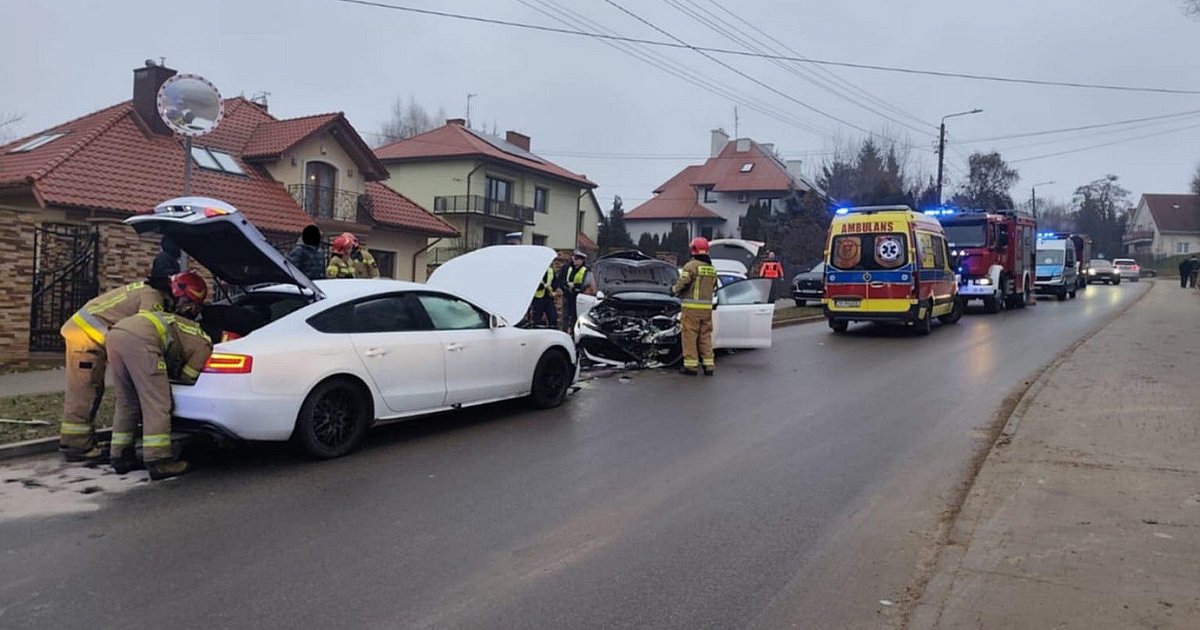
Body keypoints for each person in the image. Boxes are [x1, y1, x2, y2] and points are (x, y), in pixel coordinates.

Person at [57, 277, 178, 463]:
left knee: (90, 389)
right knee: (85, 390)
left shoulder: (144, 288)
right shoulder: (153, 297)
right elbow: (146, 327)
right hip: (86, 338)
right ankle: (76, 445)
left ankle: (79, 441)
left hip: (85, 333)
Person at [107, 272, 212, 480]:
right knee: (157, 402)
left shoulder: (172, 319)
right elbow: (188, 375)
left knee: (127, 401)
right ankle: (159, 461)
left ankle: (120, 455)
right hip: (143, 341)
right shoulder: (204, 341)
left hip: (117, 333)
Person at [672, 237, 718, 376]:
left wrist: (673, 290)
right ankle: (709, 365)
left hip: (692, 309)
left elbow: (682, 283)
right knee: (705, 337)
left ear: (693, 249)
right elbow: (714, 285)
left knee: (690, 336)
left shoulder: (691, 266)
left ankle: (691, 367)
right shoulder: (711, 268)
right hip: (707, 310)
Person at [558, 251, 596, 335]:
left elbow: (587, 284)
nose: (574, 260)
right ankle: (564, 333)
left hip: (578, 297)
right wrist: (566, 287)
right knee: (565, 316)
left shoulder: (586, 270)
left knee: (575, 317)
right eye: (574, 258)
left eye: (576, 259)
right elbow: (562, 280)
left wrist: (575, 286)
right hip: (567, 295)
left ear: (581, 260)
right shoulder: (569, 268)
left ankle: (574, 333)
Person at [530, 261, 560, 328]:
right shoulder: (536, 271)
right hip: (538, 298)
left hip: (548, 297)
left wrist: (552, 288)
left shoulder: (550, 270)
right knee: (537, 318)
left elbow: (555, 282)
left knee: (553, 317)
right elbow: (532, 285)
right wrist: (542, 287)